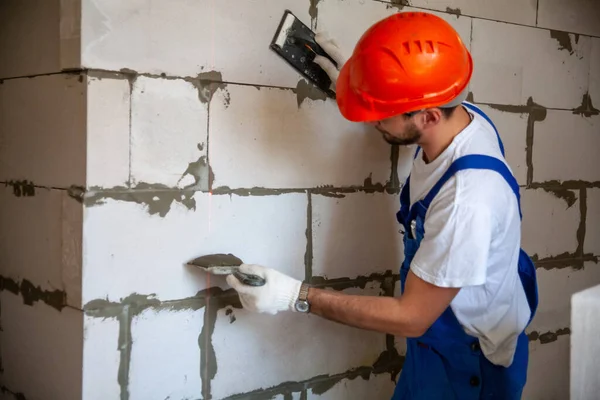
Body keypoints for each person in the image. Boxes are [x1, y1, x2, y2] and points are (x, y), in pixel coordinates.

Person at [226, 11, 538, 399]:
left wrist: (296, 296)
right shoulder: (464, 119)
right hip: (438, 343)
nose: (373, 119)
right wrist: (362, 85)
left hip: (467, 365)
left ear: (428, 115)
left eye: (380, 112)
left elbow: (412, 318)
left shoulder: (467, 200)